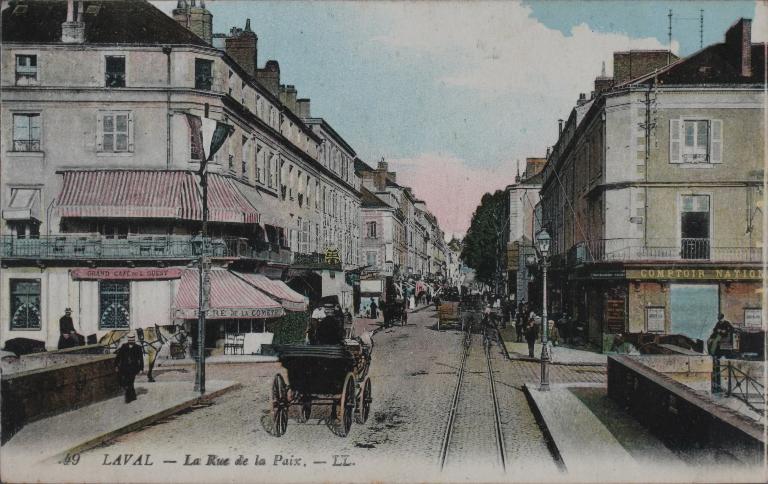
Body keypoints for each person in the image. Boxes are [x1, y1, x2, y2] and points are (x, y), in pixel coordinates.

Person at [115, 333, 144, 403]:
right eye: (130, 339)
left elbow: (141, 359)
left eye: (132, 339)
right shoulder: (124, 346)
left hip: (133, 368)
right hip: (124, 367)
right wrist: (116, 366)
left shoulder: (138, 347)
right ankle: (133, 395)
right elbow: (118, 357)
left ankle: (128, 398)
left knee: (130, 382)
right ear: (128, 339)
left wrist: (141, 369)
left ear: (134, 339)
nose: (131, 340)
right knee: (126, 383)